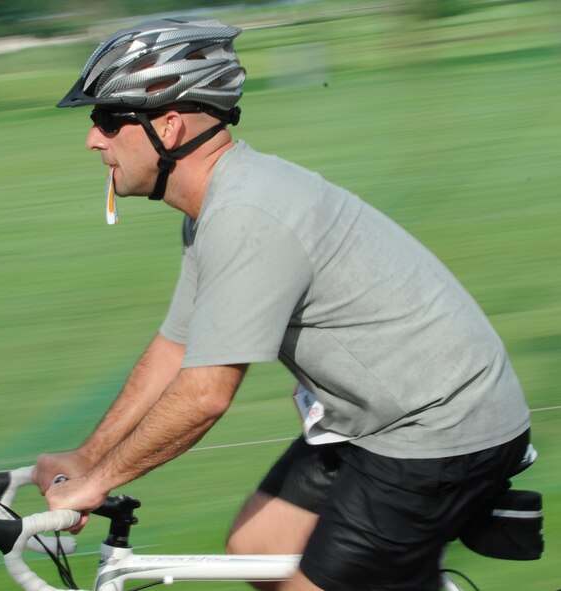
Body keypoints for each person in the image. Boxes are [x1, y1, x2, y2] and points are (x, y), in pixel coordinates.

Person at [31, 17, 532, 591]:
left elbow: (204, 395)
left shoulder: (246, 216)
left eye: (108, 120)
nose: (93, 140)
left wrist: (96, 484)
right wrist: (88, 457)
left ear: (167, 127)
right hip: (372, 422)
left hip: (439, 432)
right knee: (260, 544)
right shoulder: (216, 208)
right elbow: (176, 348)